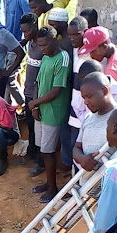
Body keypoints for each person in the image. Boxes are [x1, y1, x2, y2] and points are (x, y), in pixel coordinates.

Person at [29, 26, 71, 203]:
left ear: (54, 41)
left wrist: (35, 102)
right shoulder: (46, 57)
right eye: (40, 45)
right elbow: (38, 81)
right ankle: (48, 183)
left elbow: (56, 90)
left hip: (54, 112)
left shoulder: (62, 59)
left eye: (45, 45)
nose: (42, 49)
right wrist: (35, 107)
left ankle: (53, 187)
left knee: (49, 151)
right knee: (44, 149)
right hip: (42, 111)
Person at [72, 72, 117, 185]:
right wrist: (82, 158)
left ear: (105, 91)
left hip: (112, 185)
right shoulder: (88, 118)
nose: (86, 102)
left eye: (89, 96)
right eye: (84, 98)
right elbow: (76, 147)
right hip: (87, 186)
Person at [0, 0, 28, 107]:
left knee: (9, 78)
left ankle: (24, 106)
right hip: (9, 46)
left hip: (18, 47)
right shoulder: (5, 1)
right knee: (5, 77)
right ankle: (7, 106)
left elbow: (31, 20)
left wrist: (23, 41)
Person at [61, 16, 90, 173]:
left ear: (85, 33)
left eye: (76, 34)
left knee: (81, 151)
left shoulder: (90, 56)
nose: (72, 38)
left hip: (85, 112)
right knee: (73, 147)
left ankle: (79, 189)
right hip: (75, 107)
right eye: (70, 35)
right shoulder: (75, 51)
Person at [20, 12, 45, 177]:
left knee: (39, 130)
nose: (25, 35)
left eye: (27, 32)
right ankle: (32, 153)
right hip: (28, 94)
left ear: (35, 27)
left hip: (38, 96)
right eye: (23, 32)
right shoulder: (30, 44)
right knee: (30, 126)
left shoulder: (43, 47)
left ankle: (40, 162)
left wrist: (36, 100)